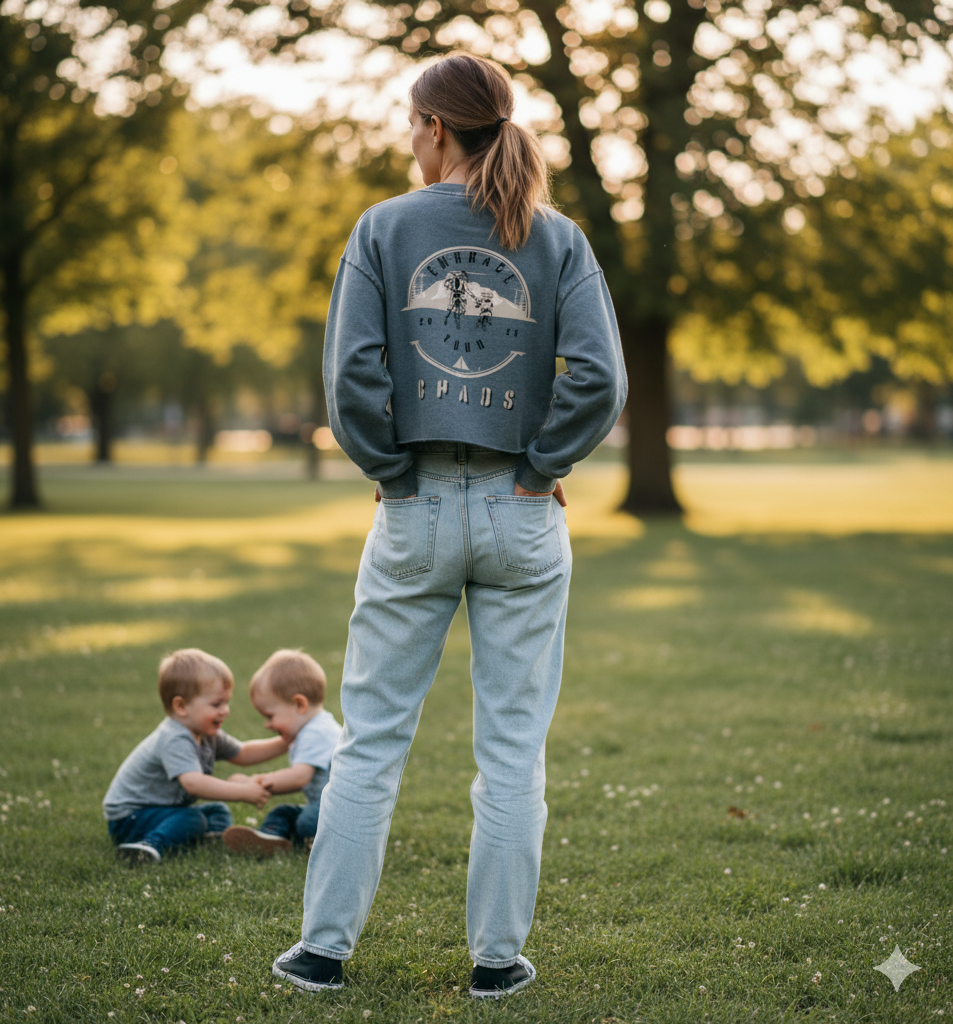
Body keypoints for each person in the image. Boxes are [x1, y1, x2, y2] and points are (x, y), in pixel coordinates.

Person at [272, 52, 627, 998]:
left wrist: (391, 470)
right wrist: (542, 465)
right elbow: (601, 377)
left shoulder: (383, 228)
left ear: (435, 128)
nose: (409, 138)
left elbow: (352, 376)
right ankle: (496, 964)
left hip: (415, 505)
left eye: (410, 123)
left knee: (373, 741)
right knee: (512, 750)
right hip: (522, 510)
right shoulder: (559, 239)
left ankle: (322, 953)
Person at [102, 648, 277, 863]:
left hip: (162, 811)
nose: (225, 710)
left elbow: (242, 753)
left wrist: (286, 741)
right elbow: (194, 784)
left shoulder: (206, 732)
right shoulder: (175, 738)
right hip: (130, 818)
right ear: (181, 706)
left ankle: (202, 838)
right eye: (216, 704)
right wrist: (243, 792)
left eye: (226, 702)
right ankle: (147, 847)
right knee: (192, 818)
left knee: (218, 811)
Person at [223, 649, 343, 855]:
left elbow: (298, 777)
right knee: (283, 812)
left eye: (270, 716)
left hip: (339, 810)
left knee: (306, 821)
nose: (267, 725)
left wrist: (256, 782)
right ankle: (270, 839)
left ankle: (312, 842)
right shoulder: (311, 728)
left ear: (299, 704)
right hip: (323, 805)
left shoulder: (317, 732)